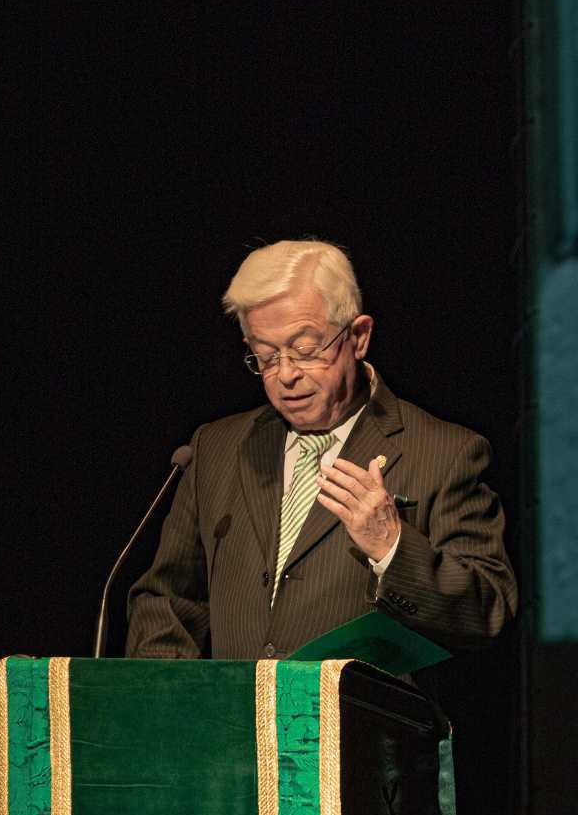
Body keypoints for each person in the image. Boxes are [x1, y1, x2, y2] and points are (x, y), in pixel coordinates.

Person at [125, 239, 516, 660]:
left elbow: (488, 611)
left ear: (359, 336)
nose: (286, 374)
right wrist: (170, 709)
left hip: (359, 722)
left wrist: (391, 546)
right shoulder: (215, 448)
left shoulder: (445, 454)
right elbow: (167, 602)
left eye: (306, 350)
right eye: (266, 357)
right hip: (235, 723)